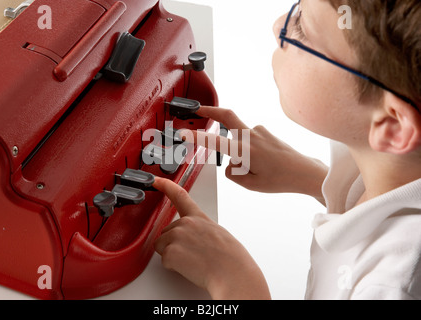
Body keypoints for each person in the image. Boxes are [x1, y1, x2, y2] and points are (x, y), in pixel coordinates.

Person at [154, 0, 421, 300]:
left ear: (392, 126)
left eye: (303, 30)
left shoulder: (391, 286)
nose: (278, 24)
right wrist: (311, 177)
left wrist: (237, 282)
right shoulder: (391, 164)